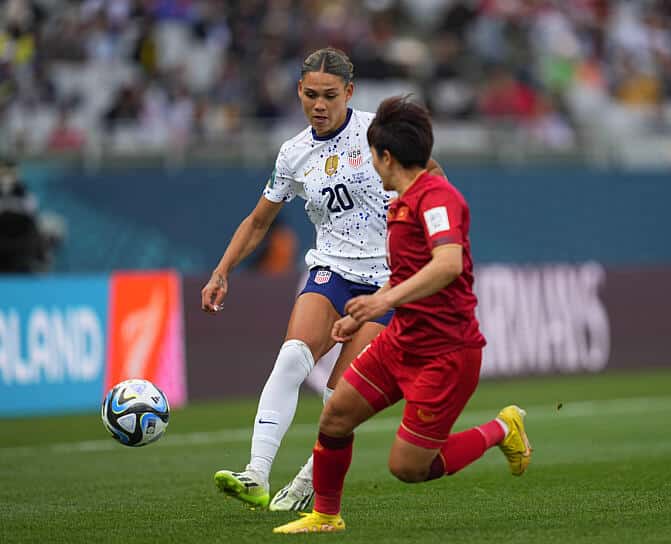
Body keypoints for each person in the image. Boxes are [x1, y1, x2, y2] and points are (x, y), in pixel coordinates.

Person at [272, 96, 531, 535]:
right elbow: (409, 274)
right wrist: (363, 312)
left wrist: (382, 302)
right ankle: (326, 516)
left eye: (372, 155)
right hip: (401, 343)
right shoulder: (401, 203)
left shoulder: (436, 199)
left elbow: (447, 264)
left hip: (445, 354)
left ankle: (501, 430)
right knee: (335, 416)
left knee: (409, 468)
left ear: (385, 157)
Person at [201, 48, 445, 512]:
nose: (319, 104)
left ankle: (309, 479)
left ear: (349, 92)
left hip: (387, 284)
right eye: (310, 94)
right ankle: (255, 473)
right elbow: (257, 223)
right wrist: (222, 270)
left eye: (330, 95)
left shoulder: (379, 133)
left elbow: (433, 178)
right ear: (298, 92)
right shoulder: (293, 153)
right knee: (292, 358)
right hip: (330, 272)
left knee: (340, 398)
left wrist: (438, 238)